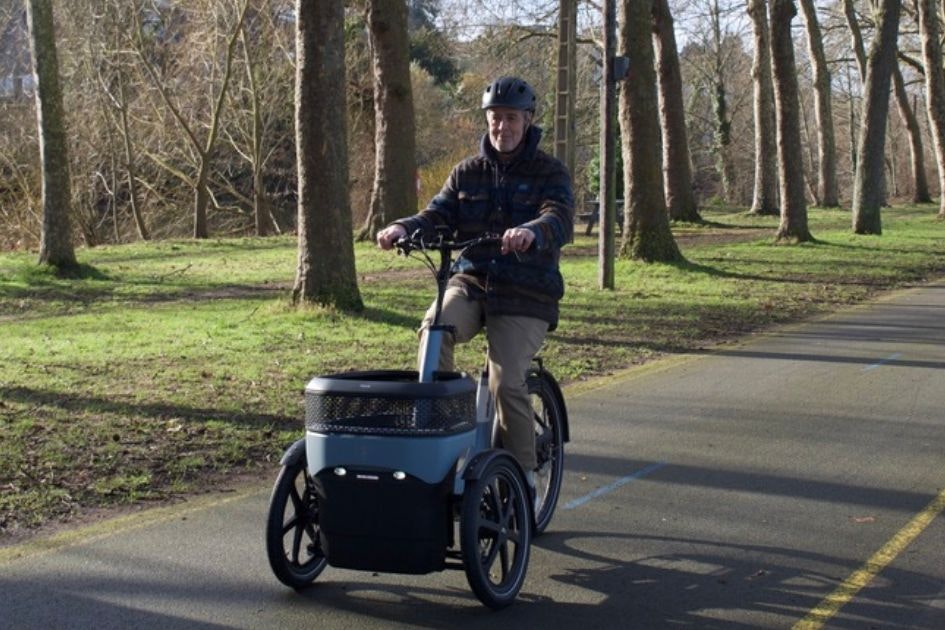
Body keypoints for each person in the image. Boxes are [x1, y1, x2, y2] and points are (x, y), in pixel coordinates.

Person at [376, 76, 573, 493]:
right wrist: (401, 227)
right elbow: (436, 214)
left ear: (528, 120)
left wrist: (532, 231)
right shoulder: (467, 172)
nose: (503, 127)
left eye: (511, 118)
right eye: (495, 118)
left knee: (506, 382)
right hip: (472, 282)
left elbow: (559, 216)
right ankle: (439, 433)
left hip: (526, 292)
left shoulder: (549, 171)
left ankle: (522, 480)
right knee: (435, 329)